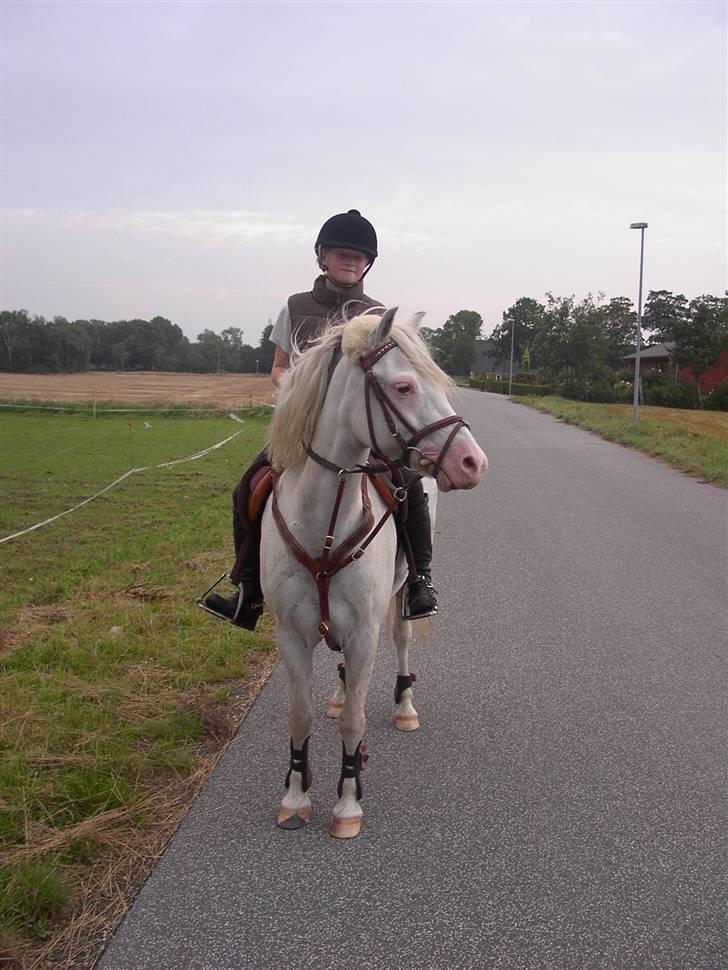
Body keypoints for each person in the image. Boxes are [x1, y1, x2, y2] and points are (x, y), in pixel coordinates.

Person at [203, 209, 437, 629]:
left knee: (410, 485)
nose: (351, 261)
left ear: (368, 264)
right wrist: (297, 392)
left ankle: (419, 580)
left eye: (359, 256)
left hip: (359, 431)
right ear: (322, 257)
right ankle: (248, 590)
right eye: (342, 253)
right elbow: (278, 367)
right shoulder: (295, 307)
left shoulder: (377, 315)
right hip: (304, 431)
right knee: (249, 486)